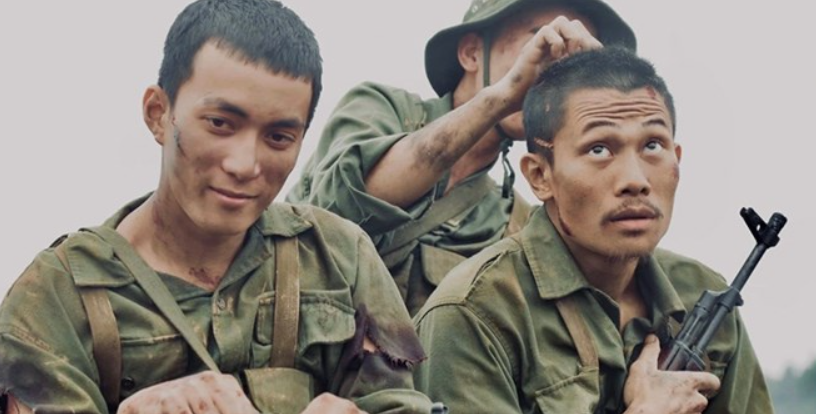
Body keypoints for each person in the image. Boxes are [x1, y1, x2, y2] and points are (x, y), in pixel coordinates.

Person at [0, 1, 433, 413]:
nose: (245, 165)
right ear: (158, 113)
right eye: (220, 124)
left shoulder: (339, 257)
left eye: (278, 137)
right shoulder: (58, 296)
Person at [413, 47, 774, 413]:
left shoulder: (700, 293)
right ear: (540, 176)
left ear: (676, 159)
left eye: (652, 145)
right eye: (599, 150)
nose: (635, 181)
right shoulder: (475, 313)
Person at [286, 0, 637, 316]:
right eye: (543, 46)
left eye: (569, 65)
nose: (550, 74)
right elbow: (345, 206)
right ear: (471, 53)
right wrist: (504, 95)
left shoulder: (514, 221)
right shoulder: (383, 109)